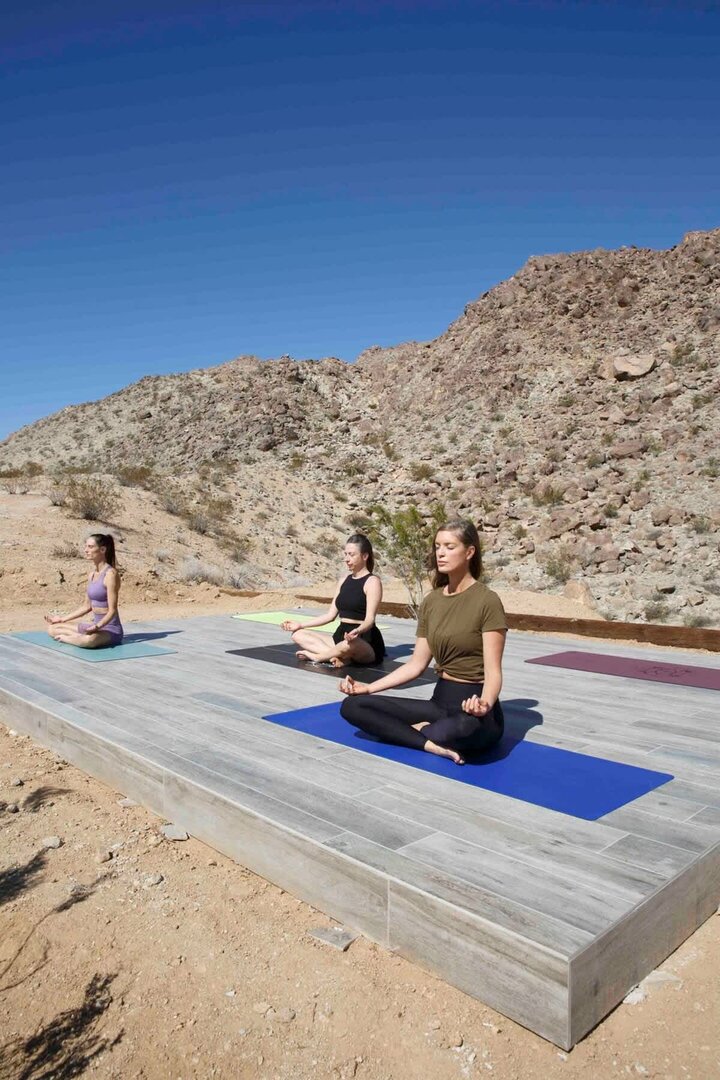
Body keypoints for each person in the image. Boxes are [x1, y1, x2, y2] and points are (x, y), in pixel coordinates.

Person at [339, 519, 506, 765]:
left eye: (449, 546)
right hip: (439, 703)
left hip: (473, 708)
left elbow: (493, 672)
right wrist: (368, 688)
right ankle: (429, 742)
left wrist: (485, 703)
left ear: (469, 552)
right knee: (352, 706)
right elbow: (416, 665)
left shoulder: (487, 601)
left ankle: (416, 732)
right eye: (437, 546)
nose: (440, 553)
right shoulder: (432, 601)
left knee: (463, 727)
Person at [281, 534, 385, 666]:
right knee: (297, 635)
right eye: (345, 554)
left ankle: (318, 657)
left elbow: (369, 620)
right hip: (341, 636)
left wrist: (357, 631)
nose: (346, 559)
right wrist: (300, 625)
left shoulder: (372, 582)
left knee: (349, 644)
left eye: (351, 555)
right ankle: (338, 657)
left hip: (363, 639)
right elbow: (330, 616)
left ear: (365, 556)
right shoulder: (343, 581)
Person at [44, 533, 124, 648]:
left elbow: (112, 611)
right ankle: (78, 637)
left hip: (110, 630)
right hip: (94, 627)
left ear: (102, 550)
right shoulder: (91, 575)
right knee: (52, 628)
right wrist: (61, 619)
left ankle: (71, 638)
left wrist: (97, 626)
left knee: (89, 640)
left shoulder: (111, 574)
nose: (86, 550)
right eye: (86, 546)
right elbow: (86, 607)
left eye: (90, 547)